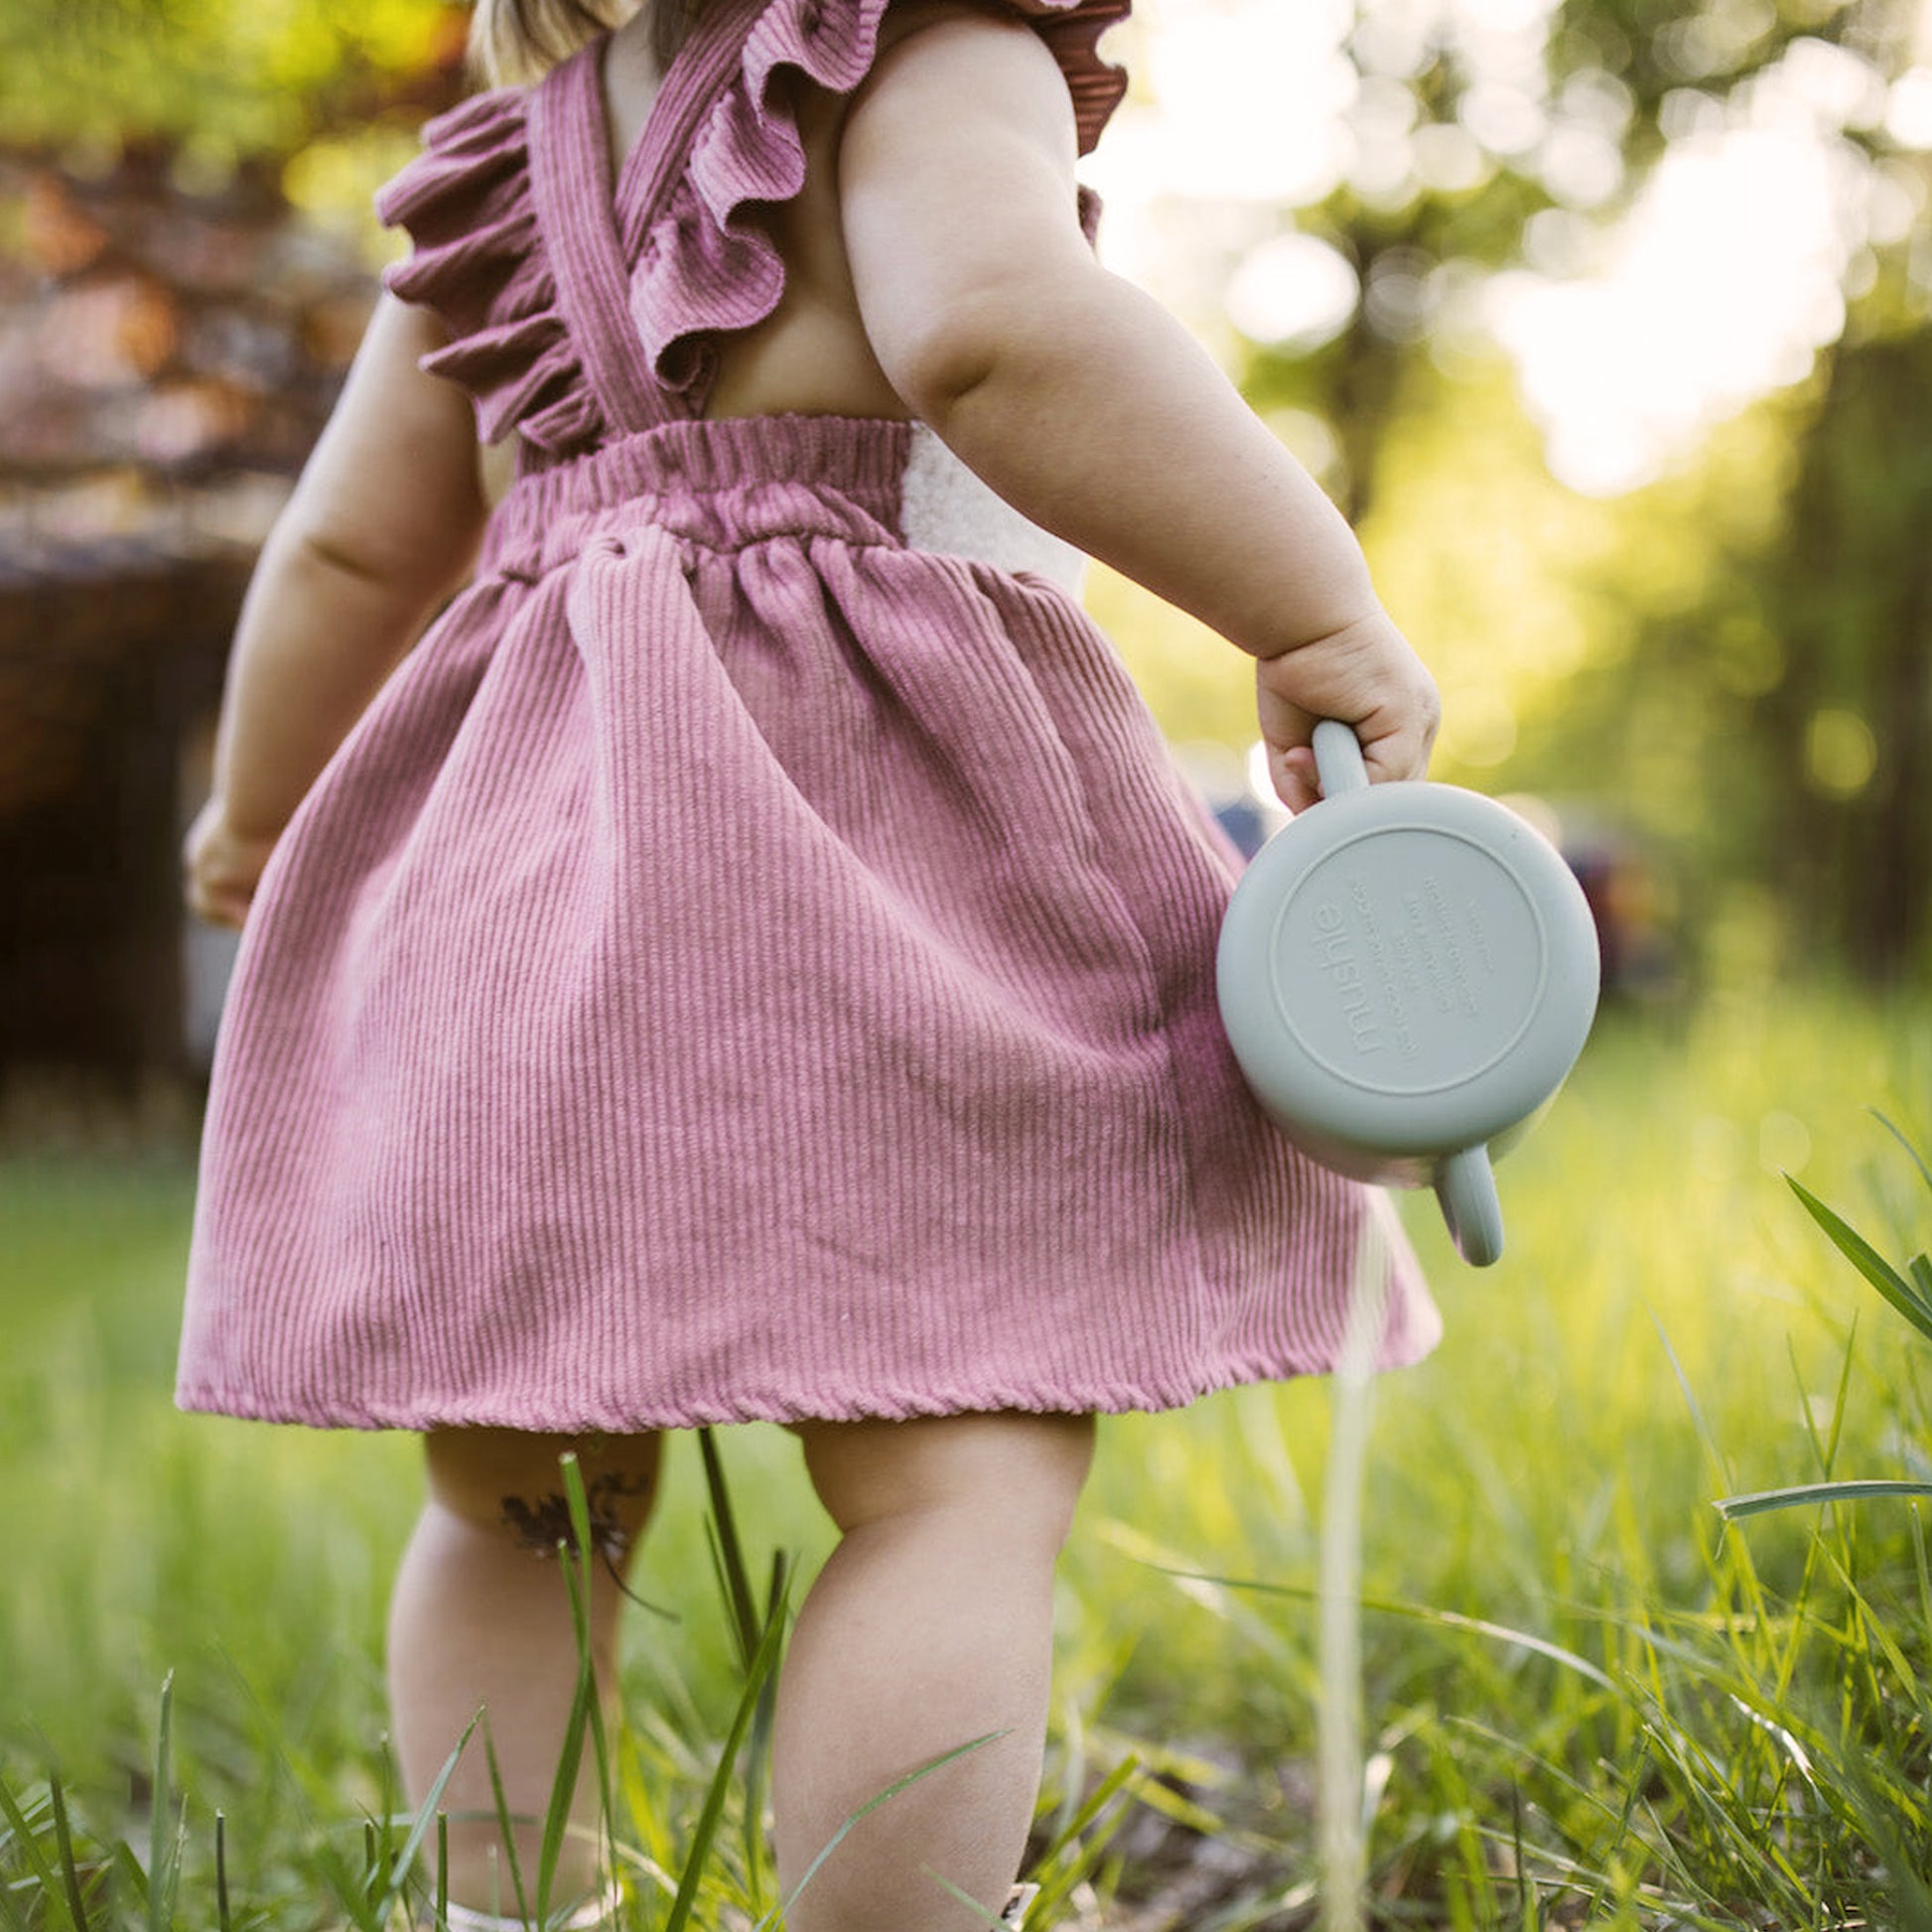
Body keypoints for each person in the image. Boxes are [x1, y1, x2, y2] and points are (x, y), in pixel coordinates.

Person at [178, 0, 1444, 1923]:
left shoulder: (500, 161)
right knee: (949, 1482)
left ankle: (505, 1909)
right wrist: (1310, 602)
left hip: (523, 904)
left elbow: (356, 549)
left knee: (524, 1501)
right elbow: (989, 328)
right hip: (857, 877)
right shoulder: (927, 49)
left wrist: (259, 824)